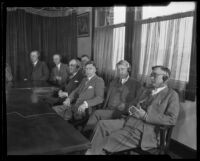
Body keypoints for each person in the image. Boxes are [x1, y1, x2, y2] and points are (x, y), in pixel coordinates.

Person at [85, 65, 180, 155]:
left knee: (105, 141)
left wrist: (146, 116)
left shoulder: (172, 95)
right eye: (151, 75)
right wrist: (131, 109)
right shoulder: (147, 90)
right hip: (129, 121)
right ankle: (90, 151)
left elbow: (172, 119)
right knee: (101, 124)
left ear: (165, 78)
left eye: (154, 75)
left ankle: (92, 152)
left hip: (145, 131)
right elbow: (132, 104)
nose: (151, 78)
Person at [84, 60, 141, 133]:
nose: (120, 72)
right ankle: (88, 136)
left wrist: (126, 105)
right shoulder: (113, 81)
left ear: (128, 69)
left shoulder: (136, 84)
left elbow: (138, 101)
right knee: (95, 114)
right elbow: (105, 93)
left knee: (96, 114)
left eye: (122, 69)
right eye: (118, 70)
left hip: (121, 112)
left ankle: (85, 136)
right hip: (108, 109)